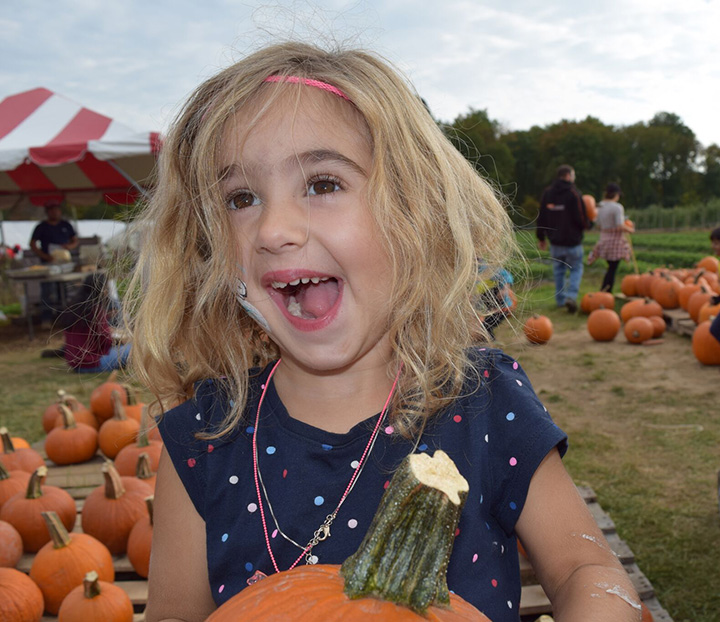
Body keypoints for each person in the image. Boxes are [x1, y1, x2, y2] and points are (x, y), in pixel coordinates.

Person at [128, 42, 640, 622]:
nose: (273, 229)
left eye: (322, 183)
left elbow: (587, 570)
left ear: (413, 213)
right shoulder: (201, 440)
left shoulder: (482, 403)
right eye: (241, 199)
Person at [537, 165, 591, 313]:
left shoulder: (548, 193)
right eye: (573, 175)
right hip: (573, 241)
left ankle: (560, 300)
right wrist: (588, 224)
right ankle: (571, 297)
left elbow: (541, 216)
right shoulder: (573, 193)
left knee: (558, 271)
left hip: (555, 242)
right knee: (576, 269)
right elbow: (581, 216)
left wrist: (541, 237)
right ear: (568, 176)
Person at [56, 273, 130, 373]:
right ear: (102, 289)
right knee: (133, 349)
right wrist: (121, 339)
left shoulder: (73, 307)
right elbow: (106, 340)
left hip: (75, 363)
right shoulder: (95, 311)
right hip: (93, 363)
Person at [29, 200, 79, 325]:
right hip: (47, 264)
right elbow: (32, 244)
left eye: (56, 209)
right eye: (51, 210)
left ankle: (64, 317)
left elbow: (75, 241)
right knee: (47, 290)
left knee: (64, 290)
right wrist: (44, 256)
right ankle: (46, 318)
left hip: (63, 264)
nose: (54, 212)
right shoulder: (42, 227)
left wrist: (69, 247)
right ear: (47, 212)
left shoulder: (66, 225)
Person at [587, 183, 635, 292]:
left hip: (603, 239)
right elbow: (619, 225)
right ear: (616, 194)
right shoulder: (617, 207)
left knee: (611, 266)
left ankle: (605, 289)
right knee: (613, 268)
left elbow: (598, 225)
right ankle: (606, 290)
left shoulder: (599, 206)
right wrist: (630, 229)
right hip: (615, 241)